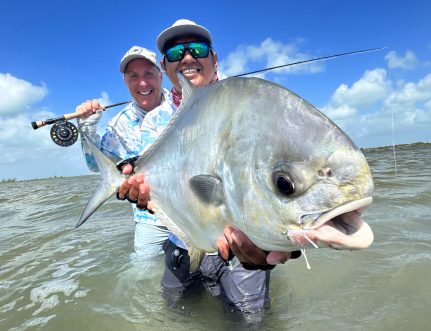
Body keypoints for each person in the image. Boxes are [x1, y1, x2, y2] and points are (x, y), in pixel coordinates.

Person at [117, 19, 301, 319]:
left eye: (198, 49)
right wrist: (139, 190)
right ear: (165, 67)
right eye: (176, 53)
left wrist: (287, 237)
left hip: (242, 243)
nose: (187, 58)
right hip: (181, 238)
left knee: (250, 319)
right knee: (173, 312)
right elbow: (155, 180)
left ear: (214, 59)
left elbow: (278, 171)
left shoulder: (244, 100)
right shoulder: (154, 120)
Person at [76, 46, 174, 259]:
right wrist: (87, 129)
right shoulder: (119, 123)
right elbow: (96, 165)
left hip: (194, 211)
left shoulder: (183, 105)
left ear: (161, 74)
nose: (143, 82)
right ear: (125, 82)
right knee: (142, 276)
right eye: (134, 76)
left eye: (149, 73)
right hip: (150, 218)